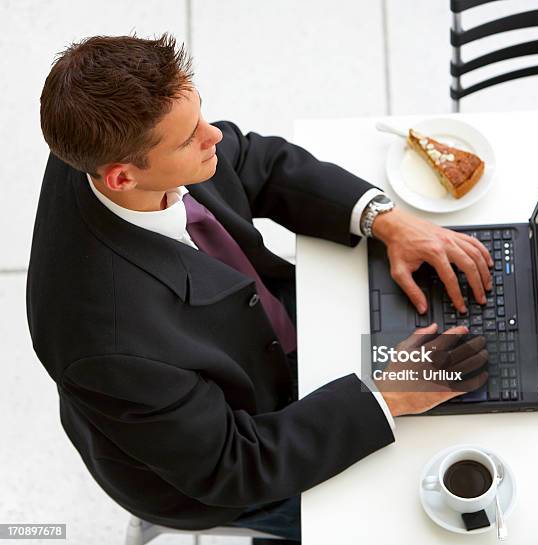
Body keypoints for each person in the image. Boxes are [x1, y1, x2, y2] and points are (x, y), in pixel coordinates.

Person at [27, 33, 491, 544]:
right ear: (120, 178)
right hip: (221, 469)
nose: (214, 138)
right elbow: (235, 465)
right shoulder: (108, 345)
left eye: (200, 115)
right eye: (189, 139)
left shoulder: (106, 132)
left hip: (254, 342)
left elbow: (255, 162)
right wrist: (387, 396)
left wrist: (385, 220)